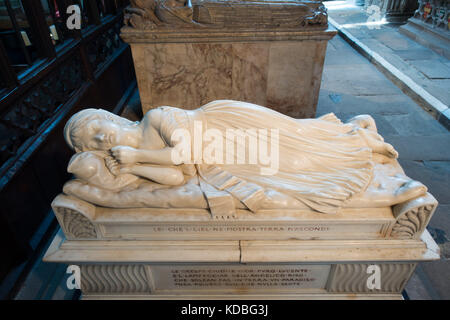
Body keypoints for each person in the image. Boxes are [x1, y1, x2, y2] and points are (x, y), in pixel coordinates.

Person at [64, 100, 425, 214]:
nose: (99, 136)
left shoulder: (155, 117)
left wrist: (136, 154)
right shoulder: (131, 153)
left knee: (298, 148)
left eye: (96, 125)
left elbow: (185, 152)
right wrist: (134, 164)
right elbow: (178, 175)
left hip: (229, 131)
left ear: (106, 116)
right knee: (296, 168)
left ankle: (358, 140)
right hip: (218, 159)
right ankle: (357, 141)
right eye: (90, 141)